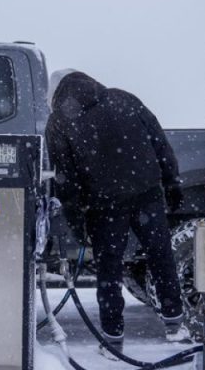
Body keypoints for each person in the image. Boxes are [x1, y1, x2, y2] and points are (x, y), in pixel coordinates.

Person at [45, 69, 189, 358]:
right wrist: (172, 183)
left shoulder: (59, 121)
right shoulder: (124, 98)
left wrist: (76, 222)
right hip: (146, 193)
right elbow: (160, 143)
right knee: (161, 257)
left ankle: (113, 339)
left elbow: (66, 179)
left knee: (109, 270)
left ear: (57, 93)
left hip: (105, 204)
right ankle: (175, 325)